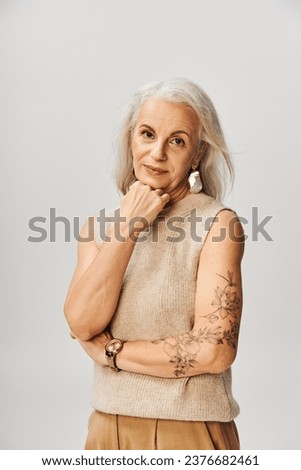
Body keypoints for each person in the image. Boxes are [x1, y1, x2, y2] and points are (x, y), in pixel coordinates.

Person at [64, 78, 245, 450]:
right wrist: (129, 227)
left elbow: (214, 350)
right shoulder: (98, 228)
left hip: (189, 431)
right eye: (147, 134)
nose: (157, 153)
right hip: (106, 430)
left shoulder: (217, 223)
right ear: (131, 139)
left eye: (177, 141)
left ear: (196, 154)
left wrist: (113, 353)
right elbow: (82, 322)